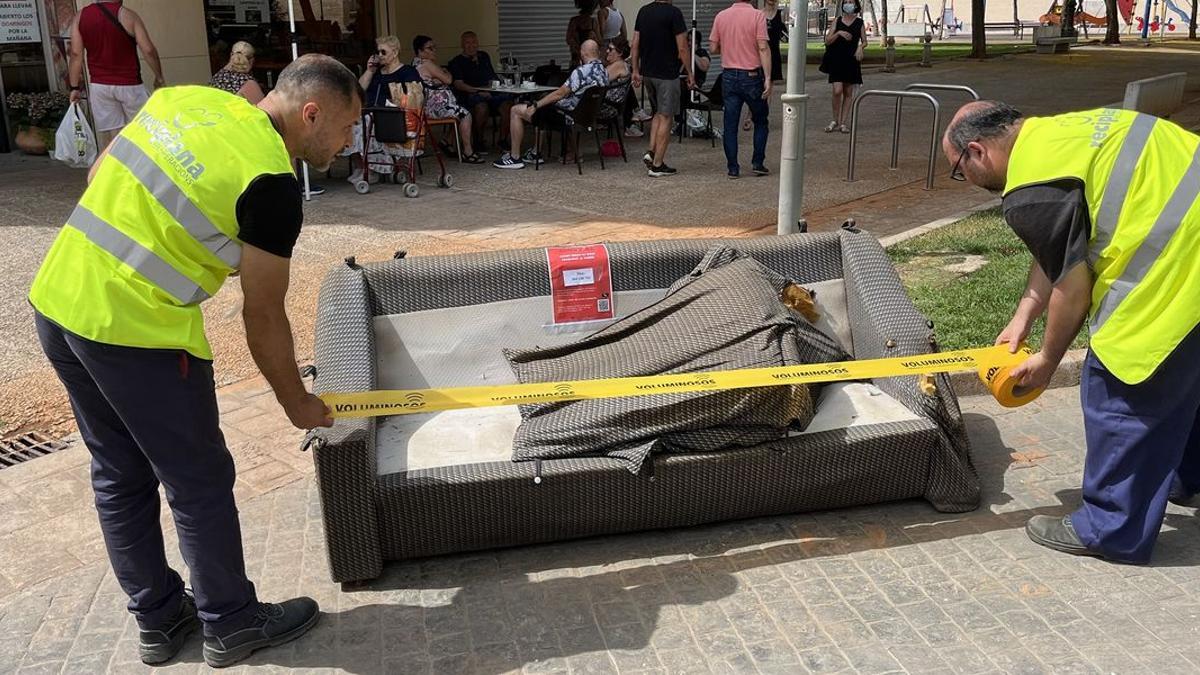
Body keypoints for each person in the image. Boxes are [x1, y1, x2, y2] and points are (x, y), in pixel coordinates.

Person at [29, 54, 361, 668]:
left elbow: (100, 174)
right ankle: (230, 621)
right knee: (198, 480)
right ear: (311, 113)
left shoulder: (181, 100)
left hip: (58, 301)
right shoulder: (271, 184)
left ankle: (158, 620)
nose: (347, 143)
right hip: (137, 332)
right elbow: (263, 314)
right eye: (345, 129)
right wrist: (297, 401)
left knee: (119, 473)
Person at [942, 101, 1200, 565]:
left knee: (1119, 392)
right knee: (1187, 375)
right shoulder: (1064, 135)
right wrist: (1024, 315)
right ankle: (1185, 477)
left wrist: (1047, 359)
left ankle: (1109, 529)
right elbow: (1061, 244)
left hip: (1181, 266)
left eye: (958, 170)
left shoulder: (1032, 190)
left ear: (977, 151)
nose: (965, 180)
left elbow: (1072, 288)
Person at [493, 39, 609, 170]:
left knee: (516, 110)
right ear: (597, 53)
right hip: (587, 117)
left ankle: (514, 158)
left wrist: (536, 105)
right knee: (545, 105)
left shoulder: (581, 72)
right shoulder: (604, 72)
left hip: (568, 117)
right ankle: (535, 152)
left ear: (583, 53)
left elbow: (560, 93)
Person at [68, 0, 165, 147]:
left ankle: (117, 160)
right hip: (130, 85)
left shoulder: (80, 17)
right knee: (142, 132)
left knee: (114, 138)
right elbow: (148, 50)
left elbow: (76, 54)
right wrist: (159, 77)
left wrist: (74, 88)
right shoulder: (129, 16)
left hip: (100, 86)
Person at [632, 0, 694, 178]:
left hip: (648, 73)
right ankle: (657, 165)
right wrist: (689, 72)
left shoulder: (643, 11)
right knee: (667, 117)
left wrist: (635, 70)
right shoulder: (674, 13)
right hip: (667, 74)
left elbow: (635, 44)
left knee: (658, 113)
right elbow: (682, 47)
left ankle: (651, 152)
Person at [711, 0, 771, 179]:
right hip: (751, 75)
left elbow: (713, 47)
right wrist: (768, 77)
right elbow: (763, 47)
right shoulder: (757, 16)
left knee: (730, 124)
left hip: (729, 74)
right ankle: (757, 162)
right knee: (761, 120)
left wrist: (728, 47)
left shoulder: (721, 16)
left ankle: (733, 168)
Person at [344, 35, 413, 184]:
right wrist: (370, 71)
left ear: (395, 52)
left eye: (383, 52)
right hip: (369, 112)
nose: (380, 56)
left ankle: (372, 169)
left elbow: (412, 97)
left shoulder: (407, 72)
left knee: (364, 124)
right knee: (348, 123)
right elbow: (359, 91)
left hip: (392, 115)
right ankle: (361, 166)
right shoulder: (377, 72)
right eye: (378, 52)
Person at [413, 35, 483, 163]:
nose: (434, 50)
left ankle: (447, 141)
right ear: (420, 51)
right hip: (435, 108)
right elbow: (449, 80)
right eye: (430, 48)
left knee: (458, 111)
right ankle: (468, 151)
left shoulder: (415, 63)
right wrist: (446, 72)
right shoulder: (427, 63)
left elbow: (438, 80)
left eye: (434, 47)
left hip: (427, 106)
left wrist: (439, 77)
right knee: (465, 114)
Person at [450, 31, 514, 154]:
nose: (471, 46)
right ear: (462, 45)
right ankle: (478, 140)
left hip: (490, 92)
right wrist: (478, 91)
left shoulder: (484, 56)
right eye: (467, 43)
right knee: (482, 107)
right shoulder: (457, 61)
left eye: (474, 42)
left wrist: (494, 88)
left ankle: (503, 140)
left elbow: (492, 76)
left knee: (508, 105)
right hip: (471, 94)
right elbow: (458, 84)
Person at [820, 0, 864, 133]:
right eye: (846, 1)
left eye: (851, 2)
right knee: (837, 90)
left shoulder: (859, 22)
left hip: (851, 60)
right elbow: (827, 40)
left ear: (855, 5)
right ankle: (835, 119)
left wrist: (860, 47)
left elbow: (865, 41)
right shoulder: (837, 21)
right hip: (837, 59)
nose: (848, 4)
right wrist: (838, 33)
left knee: (848, 92)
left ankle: (843, 123)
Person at [568, 0, 603, 68]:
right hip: (588, 57)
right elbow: (599, 41)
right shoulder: (593, 22)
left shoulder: (574, 21)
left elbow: (569, 39)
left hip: (578, 57)